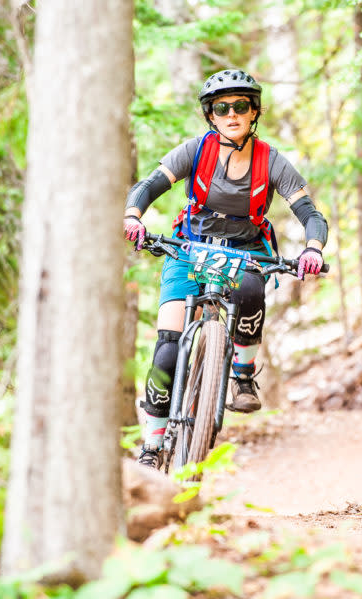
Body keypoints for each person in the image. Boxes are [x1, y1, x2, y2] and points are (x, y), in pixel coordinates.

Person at [124, 69, 328, 469]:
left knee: (251, 291)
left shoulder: (272, 161)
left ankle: (244, 374)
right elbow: (148, 186)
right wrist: (133, 217)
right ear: (211, 115)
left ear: (254, 113)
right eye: (222, 107)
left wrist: (313, 248)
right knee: (166, 351)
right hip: (188, 249)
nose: (232, 113)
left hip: (245, 250)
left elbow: (309, 212)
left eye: (242, 106)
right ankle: (152, 445)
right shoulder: (194, 151)